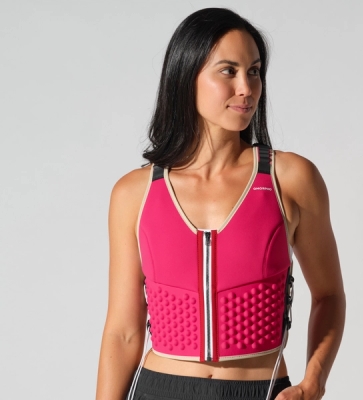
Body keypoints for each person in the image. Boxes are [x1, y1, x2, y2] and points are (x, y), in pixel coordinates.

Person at [95, 7, 346, 400]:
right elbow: (123, 331)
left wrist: (313, 384)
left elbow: (329, 295)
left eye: (254, 71)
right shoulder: (134, 193)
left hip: (261, 390)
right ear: (186, 76)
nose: (246, 88)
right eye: (228, 71)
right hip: (159, 388)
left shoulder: (290, 178)